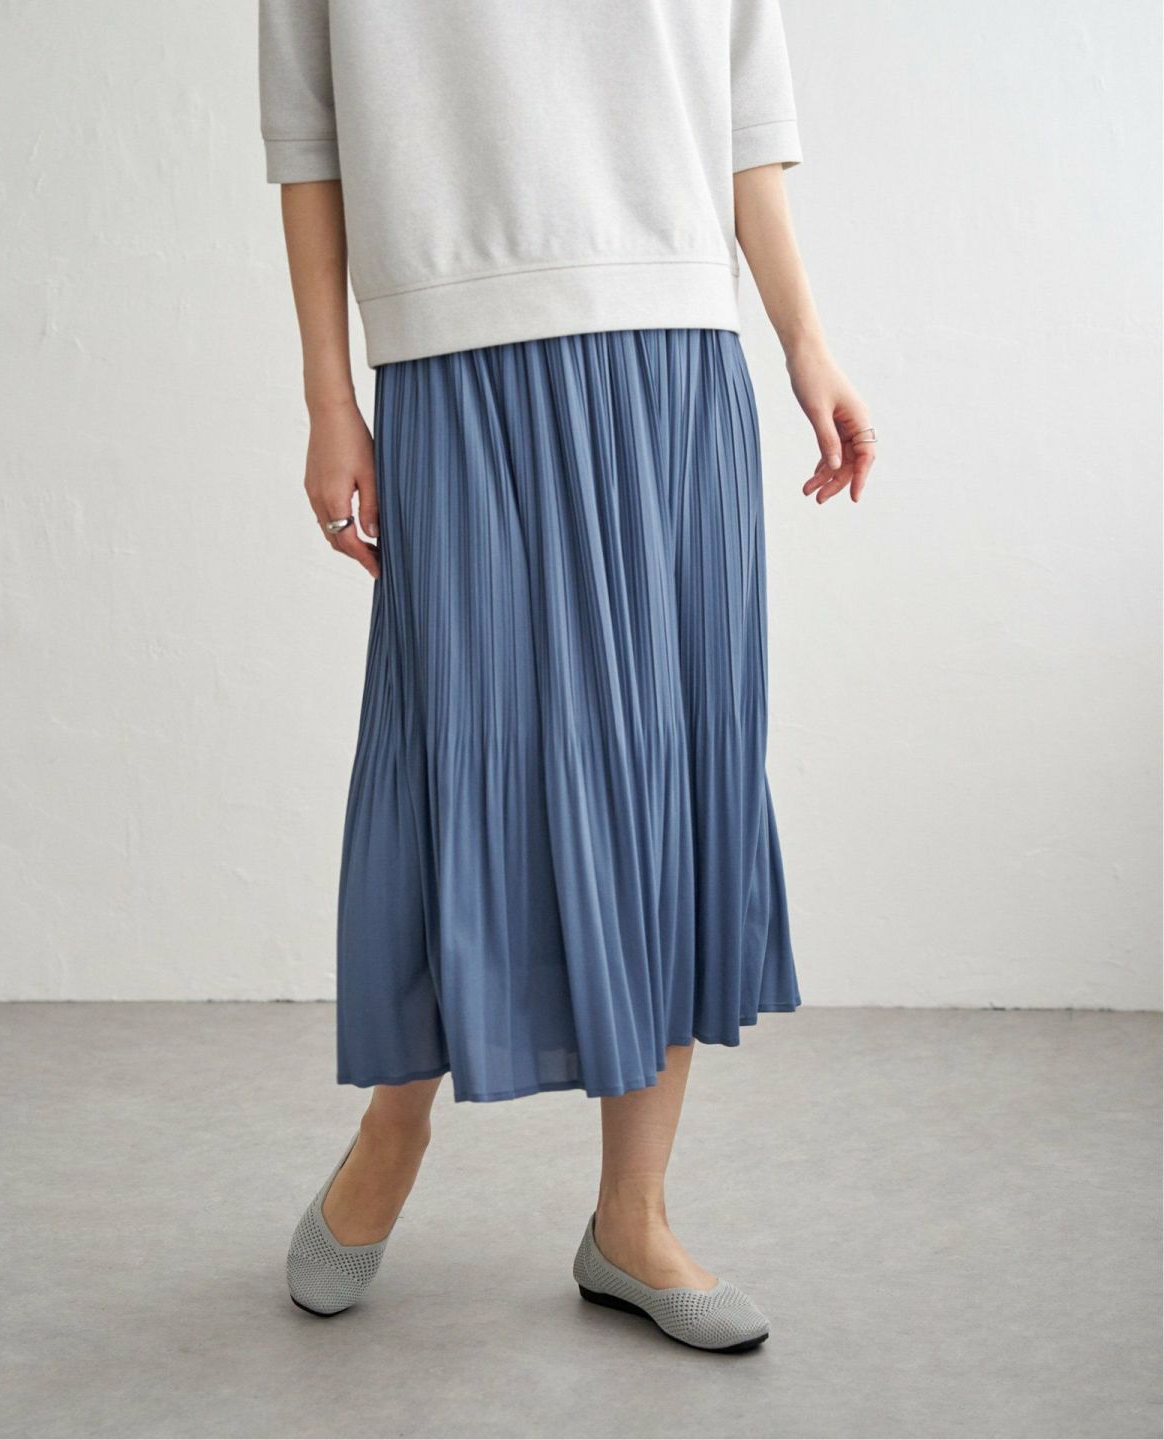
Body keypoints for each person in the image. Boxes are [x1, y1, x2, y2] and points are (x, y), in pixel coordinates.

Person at [260, 0, 875, 1354]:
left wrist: (804, 339)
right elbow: (309, 133)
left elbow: (744, 112)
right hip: (451, 361)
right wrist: (328, 398)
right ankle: (394, 1127)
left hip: (676, 349)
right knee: (454, 764)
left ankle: (631, 1219)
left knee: (667, 775)